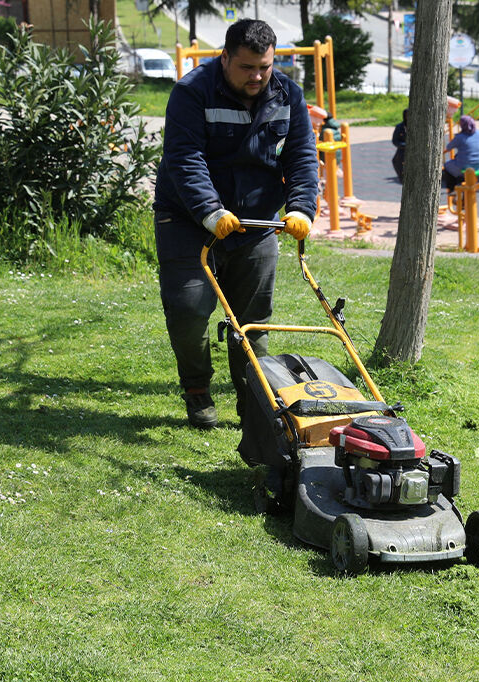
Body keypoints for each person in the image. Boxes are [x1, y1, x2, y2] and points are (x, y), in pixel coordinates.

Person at [152, 19, 319, 429]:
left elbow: (301, 156)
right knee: (189, 311)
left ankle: (254, 408)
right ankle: (197, 389)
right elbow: (184, 157)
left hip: (256, 223)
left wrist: (301, 208)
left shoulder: (288, 95)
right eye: (247, 67)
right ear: (225, 57)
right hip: (188, 220)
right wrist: (210, 211)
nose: (257, 76)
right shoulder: (192, 91)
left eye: (264, 66)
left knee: (253, 322)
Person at [442, 115, 479, 192]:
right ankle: (464, 186)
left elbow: (448, 147)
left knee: (447, 166)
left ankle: (452, 189)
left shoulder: (460, 137)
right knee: (458, 158)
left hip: (465, 166)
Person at [391, 110, 408, 183]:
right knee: (396, 161)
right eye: (406, 115)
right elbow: (395, 140)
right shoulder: (399, 127)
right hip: (403, 149)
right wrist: (404, 145)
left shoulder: (418, 126)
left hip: (416, 149)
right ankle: (402, 178)